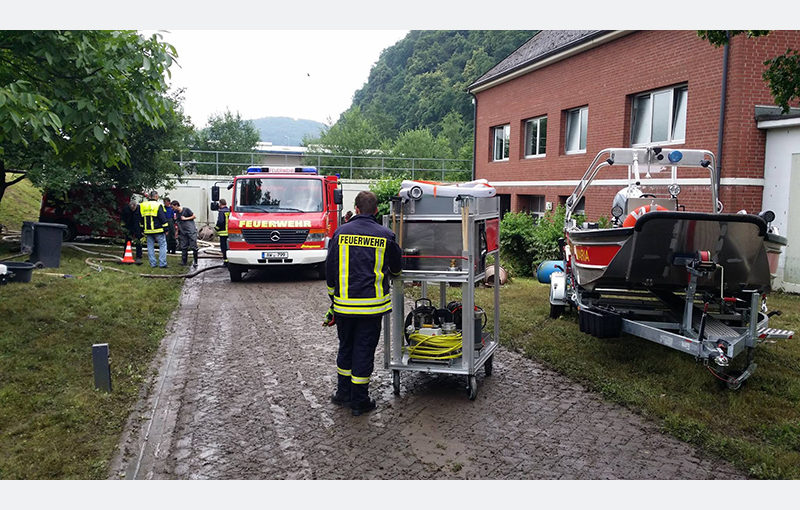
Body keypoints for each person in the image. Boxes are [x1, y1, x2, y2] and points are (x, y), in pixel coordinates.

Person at [324, 191, 402, 416]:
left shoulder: (340, 233)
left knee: (346, 347)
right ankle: (359, 401)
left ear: (356, 209)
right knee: (364, 350)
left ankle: (343, 394)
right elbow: (397, 268)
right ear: (376, 210)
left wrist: (333, 299)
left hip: (344, 306)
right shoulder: (386, 235)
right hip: (371, 308)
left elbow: (330, 269)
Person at [139, 191, 169, 268]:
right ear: (156, 196)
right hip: (158, 229)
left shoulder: (143, 205)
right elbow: (162, 218)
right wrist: (166, 229)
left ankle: (153, 263)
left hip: (148, 230)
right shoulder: (158, 205)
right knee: (162, 245)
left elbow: (141, 219)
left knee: (150, 246)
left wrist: (142, 229)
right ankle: (162, 263)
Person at [171, 200, 199, 267]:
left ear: (176, 205)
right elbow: (177, 222)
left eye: (173, 207)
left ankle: (195, 262)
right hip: (183, 232)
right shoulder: (176, 213)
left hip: (191, 231)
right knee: (183, 247)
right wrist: (177, 231)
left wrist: (185, 218)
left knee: (193, 247)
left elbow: (194, 216)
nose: (172, 209)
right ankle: (184, 262)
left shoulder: (186, 210)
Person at [120, 198, 143, 264]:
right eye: (131, 208)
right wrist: (124, 228)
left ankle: (139, 256)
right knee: (127, 241)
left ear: (136, 206)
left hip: (137, 227)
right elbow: (122, 218)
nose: (132, 209)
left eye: (134, 208)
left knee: (138, 241)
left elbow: (142, 219)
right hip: (129, 226)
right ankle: (126, 254)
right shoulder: (126, 209)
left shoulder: (140, 209)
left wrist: (142, 229)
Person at [215, 198, 230, 266]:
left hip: (223, 232)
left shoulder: (221, 211)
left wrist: (216, 228)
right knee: (228, 247)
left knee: (223, 247)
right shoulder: (229, 211)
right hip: (229, 232)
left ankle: (225, 262)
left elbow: (220, 221)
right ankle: (229, 260)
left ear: (220, 204)